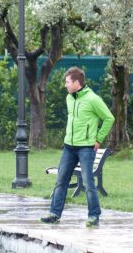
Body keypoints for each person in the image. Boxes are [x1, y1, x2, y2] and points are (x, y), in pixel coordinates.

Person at [41, 67, 115, 227]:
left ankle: (94, 216)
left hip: (86, 148)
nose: (65, 85)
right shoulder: (69, 98)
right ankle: (54, 214)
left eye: (67, 82)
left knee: (88, 183)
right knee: (61, 180)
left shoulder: (93, 99)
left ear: (76, 82)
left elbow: (109, 118)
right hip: (69, 147)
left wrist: (98, 139)